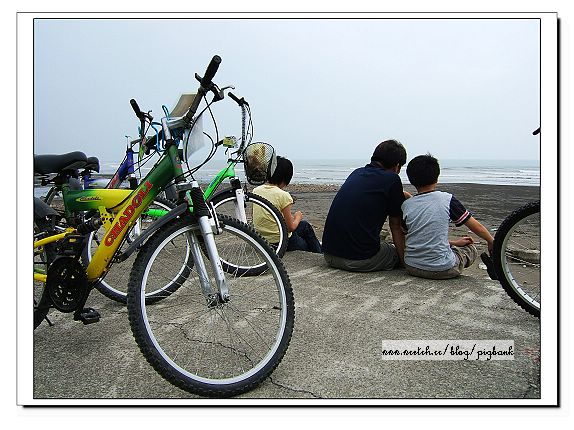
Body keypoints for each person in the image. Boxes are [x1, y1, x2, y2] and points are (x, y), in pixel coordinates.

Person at [401, 154, 495, 279]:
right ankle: (495, 266)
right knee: (470, 248)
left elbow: (419, 235)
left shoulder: (407, 205)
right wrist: (491, 241)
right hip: (443, 269)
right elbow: (476, 226)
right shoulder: (447, 199)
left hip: (412, 266)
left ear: (411, 180)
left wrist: (454, 242)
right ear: (436, 178)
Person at [322, 139, 409, 271]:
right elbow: (395, 226)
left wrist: (403, 195)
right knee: (394, 251)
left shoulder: (356, 172)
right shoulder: (392, 179)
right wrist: (404, 262)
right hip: (358, 259)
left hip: (329, 255)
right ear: (397, 166)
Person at [253, 156, 322, 253]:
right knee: (307, 235)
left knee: (304, 226)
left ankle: (319, 249)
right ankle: (319, 253)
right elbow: (291, 227)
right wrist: (298, 217)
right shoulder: (283, 195)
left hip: (262, 240)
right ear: (286, 178)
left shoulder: (256, 190)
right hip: (282, 242)